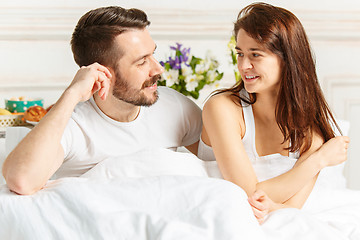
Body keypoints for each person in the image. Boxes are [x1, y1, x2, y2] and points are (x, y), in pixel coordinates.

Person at [2, 6, 202, 195]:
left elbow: (221, 163)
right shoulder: (75, 126)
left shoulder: (174, 106)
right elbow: (22, 180)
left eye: (153, 54)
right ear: (103, 72)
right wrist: (72, 93)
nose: (158, 69)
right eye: (142, 61)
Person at [198, 2, 350, 223]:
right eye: (240, 54)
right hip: (213, 215)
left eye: (255, 55)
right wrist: (319, 160)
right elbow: (248, 196)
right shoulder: (222, 108)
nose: (243, 66)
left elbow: (289, 210)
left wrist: (316, 157)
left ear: (288, 60)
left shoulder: (309, 129)